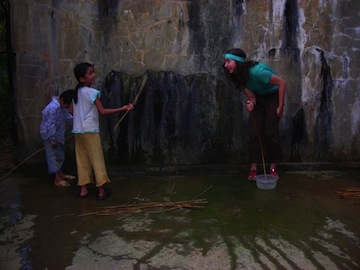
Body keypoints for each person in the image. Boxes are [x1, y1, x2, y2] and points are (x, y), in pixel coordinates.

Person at [72, 63, 133, 200]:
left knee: (82, 161)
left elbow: (71, 110)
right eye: (90, 73)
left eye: (93, 72)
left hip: (78, 131)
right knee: (96, 159)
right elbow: (103, 111)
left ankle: (83, 191)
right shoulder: (91, 93)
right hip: (90, 131)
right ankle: (101, 192)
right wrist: (122, 109)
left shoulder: (77, 93)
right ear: (82, 79)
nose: (94, 75)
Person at [223, 48, 286, 181]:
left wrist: (280, 106)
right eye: (225, 61)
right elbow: (251, 96)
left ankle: (273, 168)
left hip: (272, 96)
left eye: (228, 61)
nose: (225, 65)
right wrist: (251, 103)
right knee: (254, 133)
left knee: (270, 132)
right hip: (259, 96)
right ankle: (253, 169)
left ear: (238, 62)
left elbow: (282, 83)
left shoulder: (257, 72)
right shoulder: (237, 76)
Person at [40, 89, 76, 187]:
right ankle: (57, 179)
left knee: (60, 155)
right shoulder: (53, 108)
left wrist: (78, 121)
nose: (67, 107)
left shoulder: (62, 108)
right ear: (62, 99)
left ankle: (61, 174)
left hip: (58, 136)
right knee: (53, 157)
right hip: (50, 136)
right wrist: (52, 140)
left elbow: (67, 118)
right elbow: (50, 125)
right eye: (67, 105)